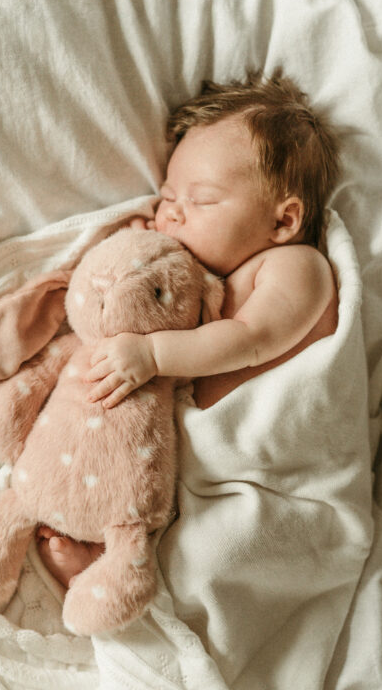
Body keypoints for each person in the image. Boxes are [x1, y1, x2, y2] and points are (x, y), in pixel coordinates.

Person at [39, 71, 341, 587]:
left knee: (218, 548)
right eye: (168, 198)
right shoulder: (212, 272)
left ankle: (129, 572)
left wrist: (153, 354)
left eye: (200, 201)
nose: (172, 215)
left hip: (266, 467)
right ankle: (108, 555)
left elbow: (248, 341)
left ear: (283, 221)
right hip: (190, 449)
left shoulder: (297, 268)